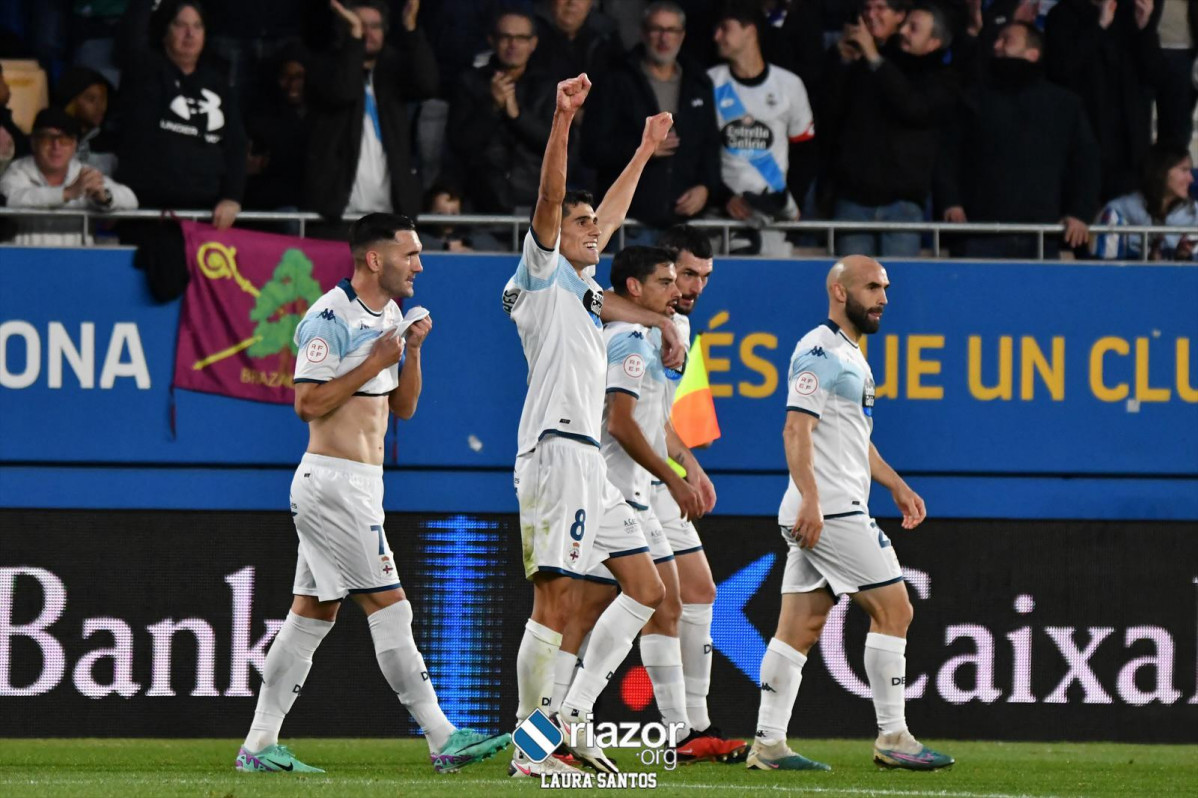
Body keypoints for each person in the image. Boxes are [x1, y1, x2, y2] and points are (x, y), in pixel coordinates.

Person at [235, 213, 511, 775]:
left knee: (312, 613)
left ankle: (259, 745)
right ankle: (442, 737)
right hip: (334, 482)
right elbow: (307, 404)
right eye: (410, 254)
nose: (420, 265)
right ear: (374, 258)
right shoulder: (328, 317)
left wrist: (412, 352)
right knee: (391, 606)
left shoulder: (387, 316)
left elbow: (402, 407)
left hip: (358, 484)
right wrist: (375, 361)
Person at [503, 72, 685, 777]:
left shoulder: (581, 288)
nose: (594, 231)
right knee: (555, 601)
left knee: (646, 588)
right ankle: (529, 750)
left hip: (589, 465)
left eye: (594, 227)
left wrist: (643, 151)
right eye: (582, 225)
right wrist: (562, 120)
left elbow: (607, 212)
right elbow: (552, 200)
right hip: (554, 451)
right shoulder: (542, 272)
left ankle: (573, 715)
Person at [746, 255, 953, 773]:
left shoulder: (850, 354)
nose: (883, 298)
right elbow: (795, 428)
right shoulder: (819, 350)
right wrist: (812, 499)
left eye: (885, 288)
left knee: (799, 627)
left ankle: (768, 744)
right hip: (830, 510)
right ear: (839, 292)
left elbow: (853, 438)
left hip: (822, 508)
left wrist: (895, 484)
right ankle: (894, 736)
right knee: (895, 610)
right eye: (872, 287)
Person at [936, 22, 1099, 258]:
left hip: (1044, 233)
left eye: (1007, 40)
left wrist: (1080, 213)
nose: (997, 45)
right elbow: (948, 155)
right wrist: (950, 201)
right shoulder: (972, 100)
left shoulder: (1064, 105)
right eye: (997, 39)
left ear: (1033, 53)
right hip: (978, 231)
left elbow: (1086, 162)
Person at [825, 3, 959, 256]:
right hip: (853, 199)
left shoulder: (942, 78)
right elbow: (832, 112)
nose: (903, 31)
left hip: (902, 205)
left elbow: (914, 108)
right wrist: (842, 61)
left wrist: (875, 58)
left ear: (933, 43)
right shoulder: (872, 64)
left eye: (913, 28)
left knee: (897, 280)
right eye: (905, 24)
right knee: (853, 281)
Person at [583, 1, 721, 241]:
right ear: (643, 32)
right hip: (629, 226)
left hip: (684, 228)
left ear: (682, 35)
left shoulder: (698, 82)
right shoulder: (616, 79)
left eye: (671, 30)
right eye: (657, 29)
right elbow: (591, 149)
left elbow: (710, 146)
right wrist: (643, 150)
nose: (664, 38)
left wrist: (706, 188)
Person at [116, 0, 245, 229]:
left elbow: (235, 145)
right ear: (164, 31)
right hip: (151, 215)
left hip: (207, 216)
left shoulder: (218, 84)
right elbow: (131, 38)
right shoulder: (146, 71)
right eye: (180, 25)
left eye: (197, 26)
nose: (190, 34)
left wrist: (232, 197)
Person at [306, 0, 438, 222]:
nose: (368, 33)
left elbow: (427, 85)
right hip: (337, 214)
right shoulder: (324, 67)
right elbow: (344, 91)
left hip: (390, 213)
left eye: (375, 26)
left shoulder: (392, 70)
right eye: (359, 25)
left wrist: (411, 29)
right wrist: (354, 40)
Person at [709, 2, 816, 254]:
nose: (717, 36)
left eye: (725, 29)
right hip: (720, 217)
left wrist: (790, 202)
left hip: (774, 219)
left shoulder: (789, 85)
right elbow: (700, 152)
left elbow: (806, 152)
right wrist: (724, 197)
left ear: (750, 31)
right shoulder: (709, 82)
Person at [1045, 0, 1167, 202]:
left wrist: (1145, 28)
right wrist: (1099, 26)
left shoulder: (1131, 14)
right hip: (1085, 137)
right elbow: (1061, 70)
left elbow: (1155, 74)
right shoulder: (1063, 15)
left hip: (1129, 143)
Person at [447, 8, 555, 214]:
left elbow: (558, 146)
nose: (513, 44)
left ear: (533, 43)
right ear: (492, 40)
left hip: (536, 201)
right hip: (481, 201)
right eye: (505, 37)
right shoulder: (469, 82)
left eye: (521, 38)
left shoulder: (549, 87)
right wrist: (493, 107)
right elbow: (460, 143)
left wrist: (517, 116)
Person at [0, 107, 137, 246]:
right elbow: (9, 199)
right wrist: (66, 193)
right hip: (25, 257)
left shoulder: (84, 172)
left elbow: (131, 199)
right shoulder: (17, 170)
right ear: (34, 142)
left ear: (74, 145)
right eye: (47, 138)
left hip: (77, 258)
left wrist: (103, 196)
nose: (56, 146)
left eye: (64, 139)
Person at [1092, 142, 1198, 260]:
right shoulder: (1116, 214)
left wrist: (1183, 258)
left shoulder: (1195, 214)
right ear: (1162, 171)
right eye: (1184, 170)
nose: (1191, 179)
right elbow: (1105, 267)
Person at [52, 65, 118, 176]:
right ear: (70, 102)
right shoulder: (50, 140)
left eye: (103, 100)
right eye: (91, 99)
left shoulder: (109, 146)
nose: (100, 107)